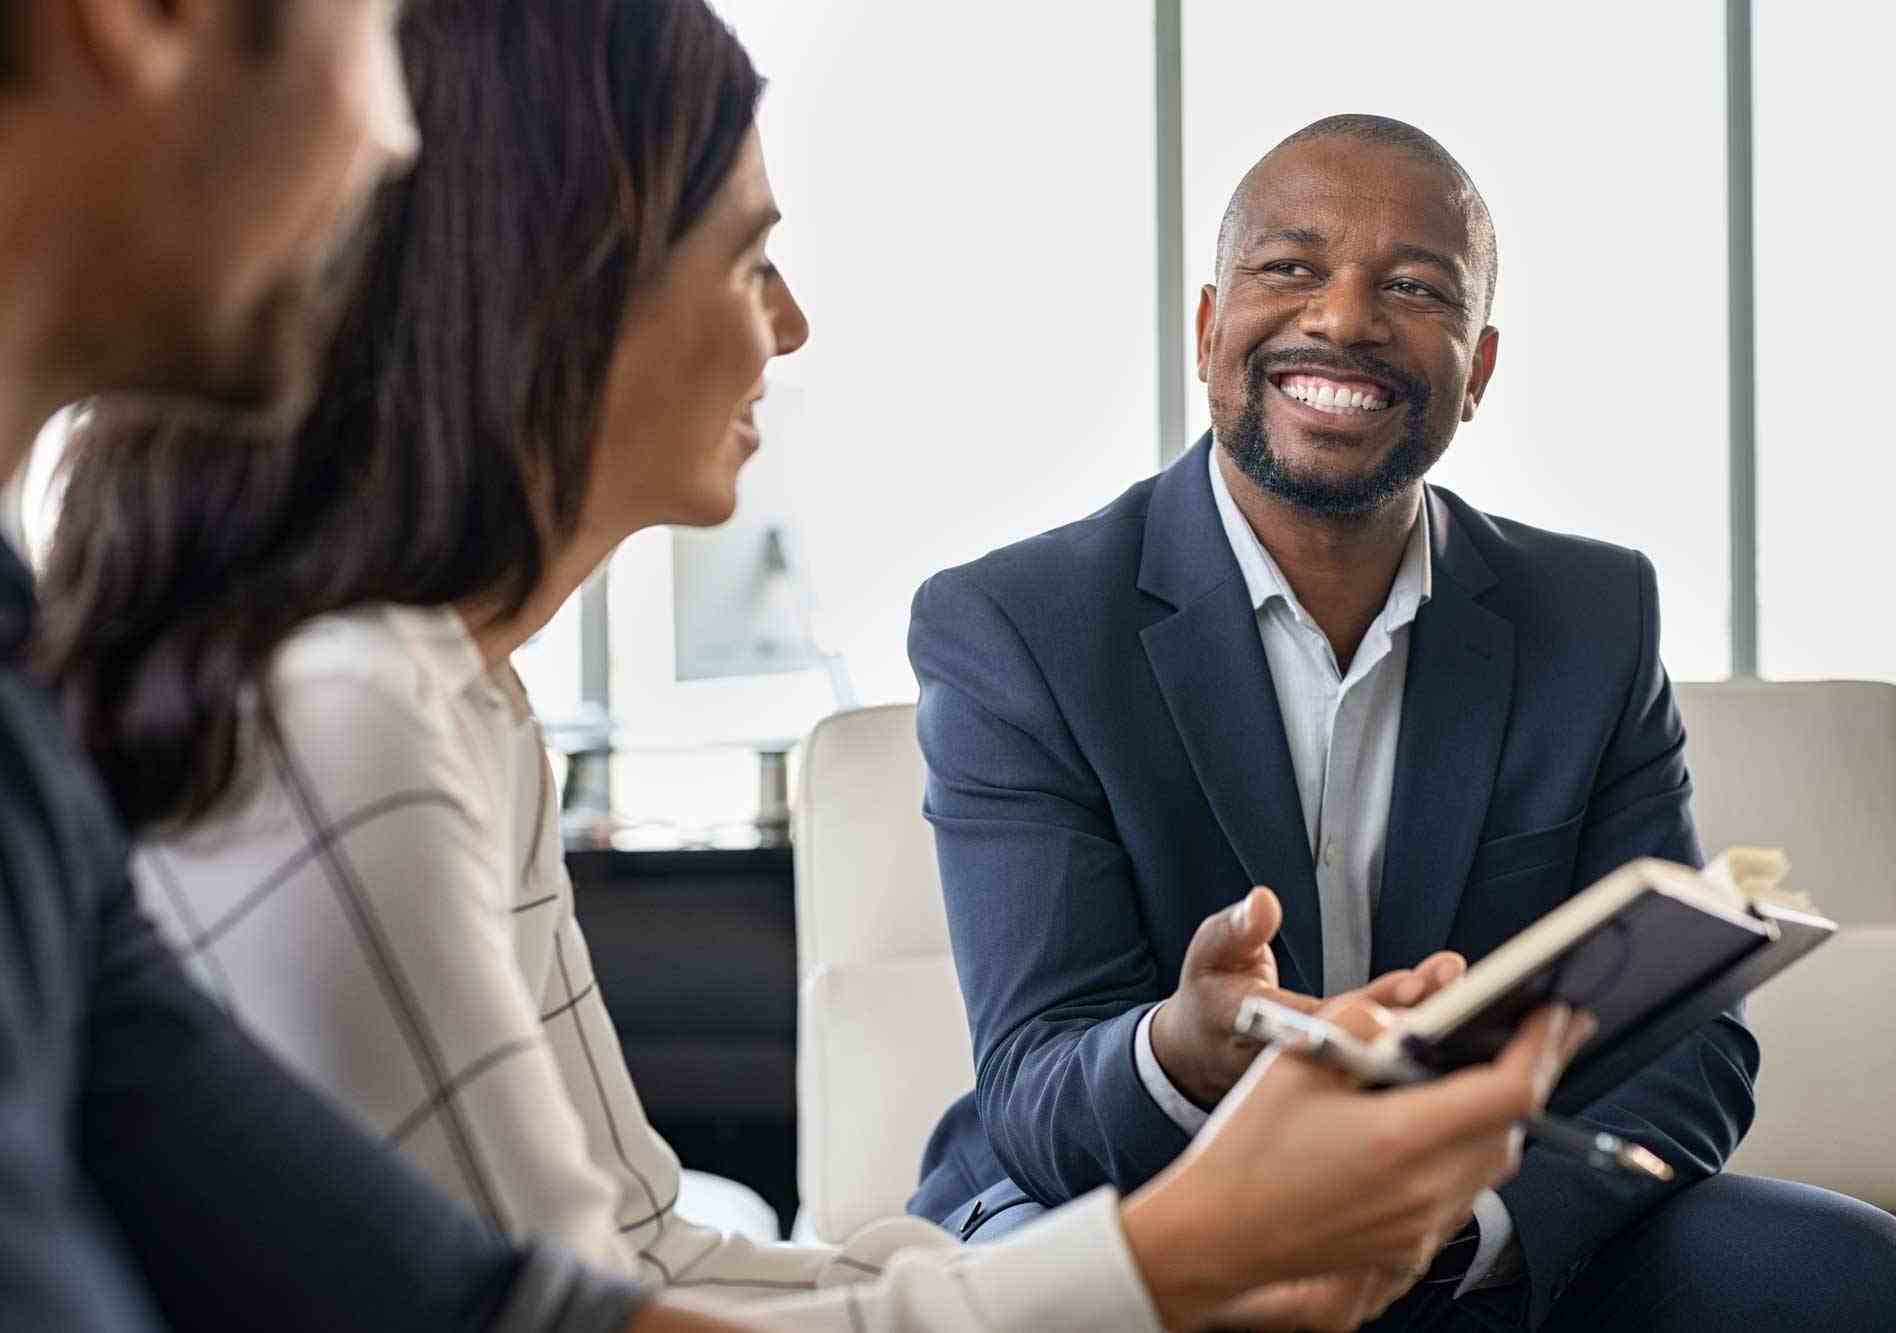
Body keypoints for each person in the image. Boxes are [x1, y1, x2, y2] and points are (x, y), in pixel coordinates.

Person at [32, 6, 1599, 1330]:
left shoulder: (464, 705)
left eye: (1416, 286)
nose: (790, 327)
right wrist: (1177, 1257)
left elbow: (635, 1244)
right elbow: (582, 1305)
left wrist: (1108, 1271)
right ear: (554, 288)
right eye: (744, 258)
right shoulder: (357, 705)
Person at [905, 113, 1896, 1330]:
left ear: (1479, 368)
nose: (1345, 319)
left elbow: (1687, 1043)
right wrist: (1177, 1048)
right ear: (1208, 333)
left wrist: (1446, 1222)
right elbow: (1038, 1080)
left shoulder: (1590, 615)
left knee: (1853, 1277)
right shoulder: (1017, 625)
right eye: (1289, 268)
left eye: (1411, 287)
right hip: (1137, 1196)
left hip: (1484, 1226)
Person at [0, 0, 761, 1328]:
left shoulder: (27, 743)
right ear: (139, 19)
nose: (403, 142)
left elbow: (496, 1307)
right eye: (369, 31)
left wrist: (1165, 1265)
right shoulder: (348, 700)